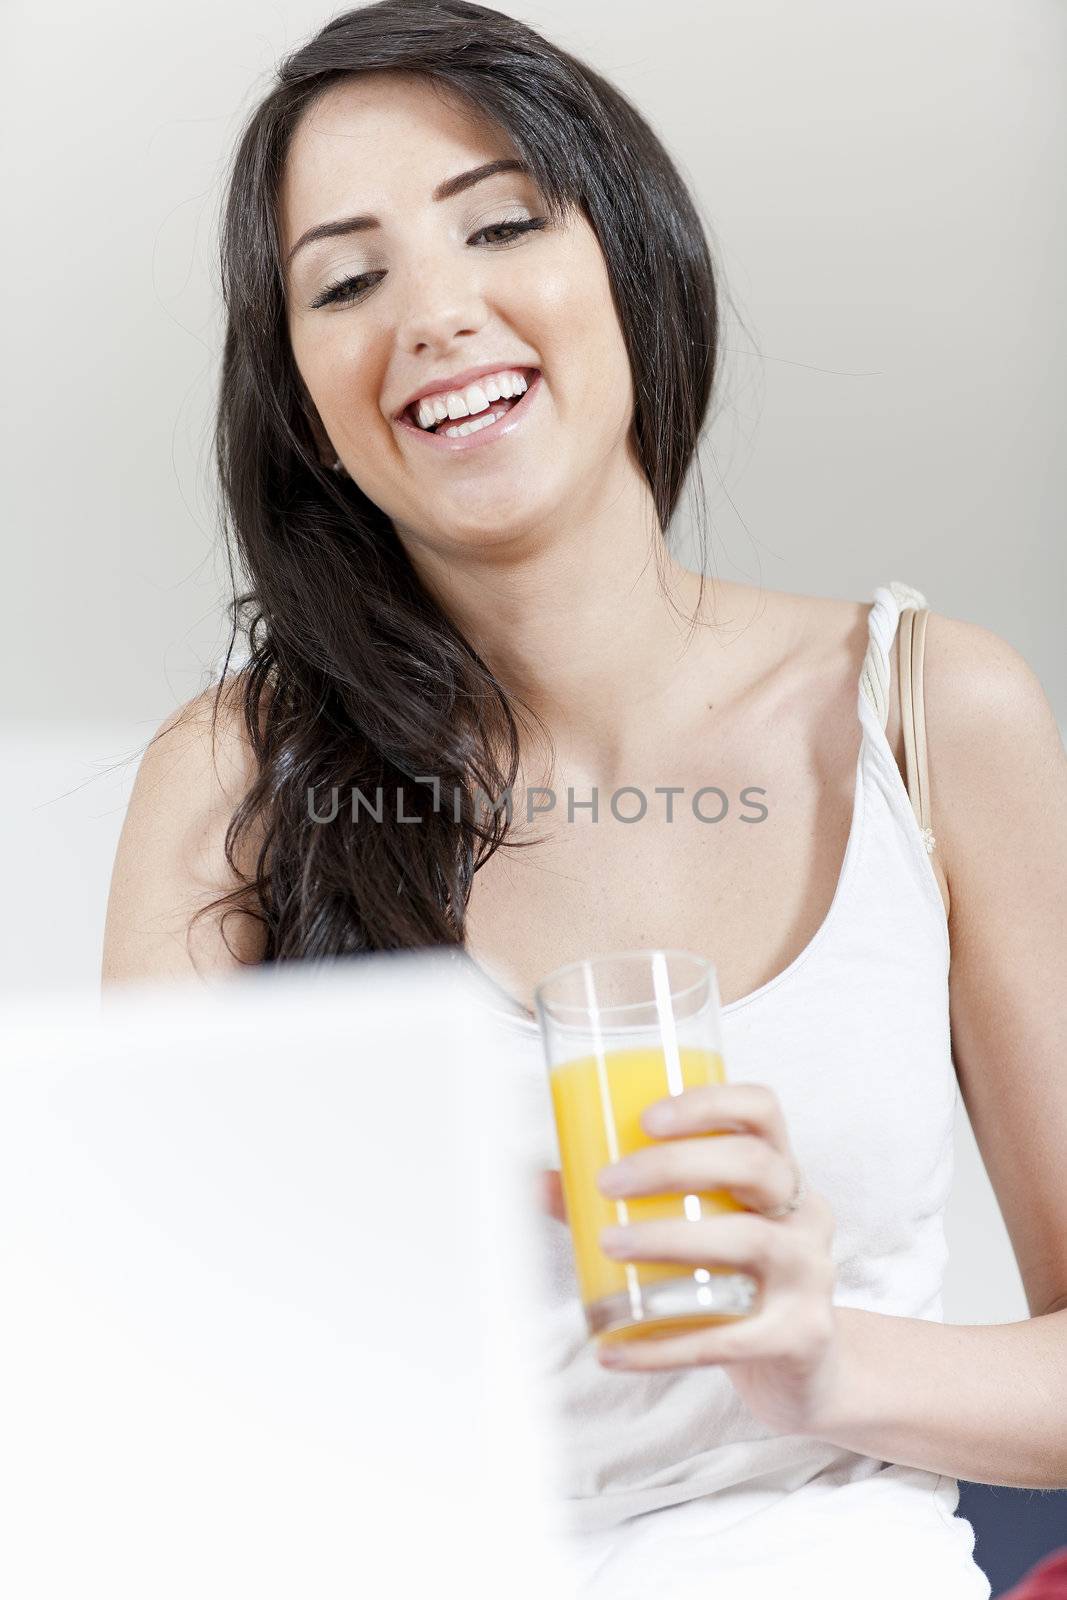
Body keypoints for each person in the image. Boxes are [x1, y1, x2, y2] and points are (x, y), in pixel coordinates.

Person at [102, 3, 1067, 1594]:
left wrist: (827, 1361)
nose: (434, 314)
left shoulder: (926, 711)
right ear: (312, 414)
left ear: (631, 263)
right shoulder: (233, 782)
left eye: (499, 225)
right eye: (348, 281)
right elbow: (154, 1391)